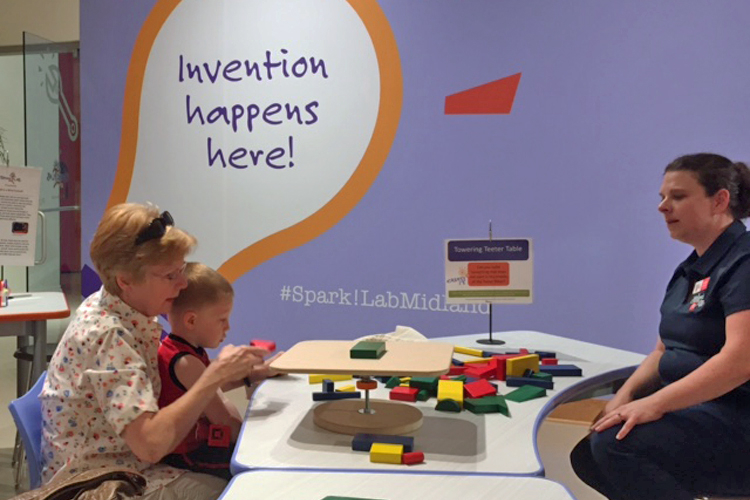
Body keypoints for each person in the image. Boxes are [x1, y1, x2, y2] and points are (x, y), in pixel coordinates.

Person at [40, 203, 270, 500]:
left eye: (181, 271)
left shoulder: (118, 307)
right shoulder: (108, 336)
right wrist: (213, 377)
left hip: (129, 465)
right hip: (98, 484)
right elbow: (150, 445)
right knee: (240, 491)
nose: (183, 283)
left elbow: (176, 387)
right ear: (125, 280)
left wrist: (240, 375)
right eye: (169, 275)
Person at [570, 153, 750, 500]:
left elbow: (739, 362)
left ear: (720, 200)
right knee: (588, 454)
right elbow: (663, 349)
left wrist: (656, 404)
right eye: (662, 197)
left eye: (678, 197)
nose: (663, 207)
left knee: (617, 446)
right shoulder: (690, 268)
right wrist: (624, 397)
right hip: (698, 411)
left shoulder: (743, 262)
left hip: (736, 418)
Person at [159, 262, 274, 480]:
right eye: (222, 320)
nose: (228, 327)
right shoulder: (185, 362)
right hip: (187, 455)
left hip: (195, 447)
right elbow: (223, 421)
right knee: (254, 470)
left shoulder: (182, 351)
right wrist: (257, 440)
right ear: (191, 320)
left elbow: (218, 383)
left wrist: (257, 372)